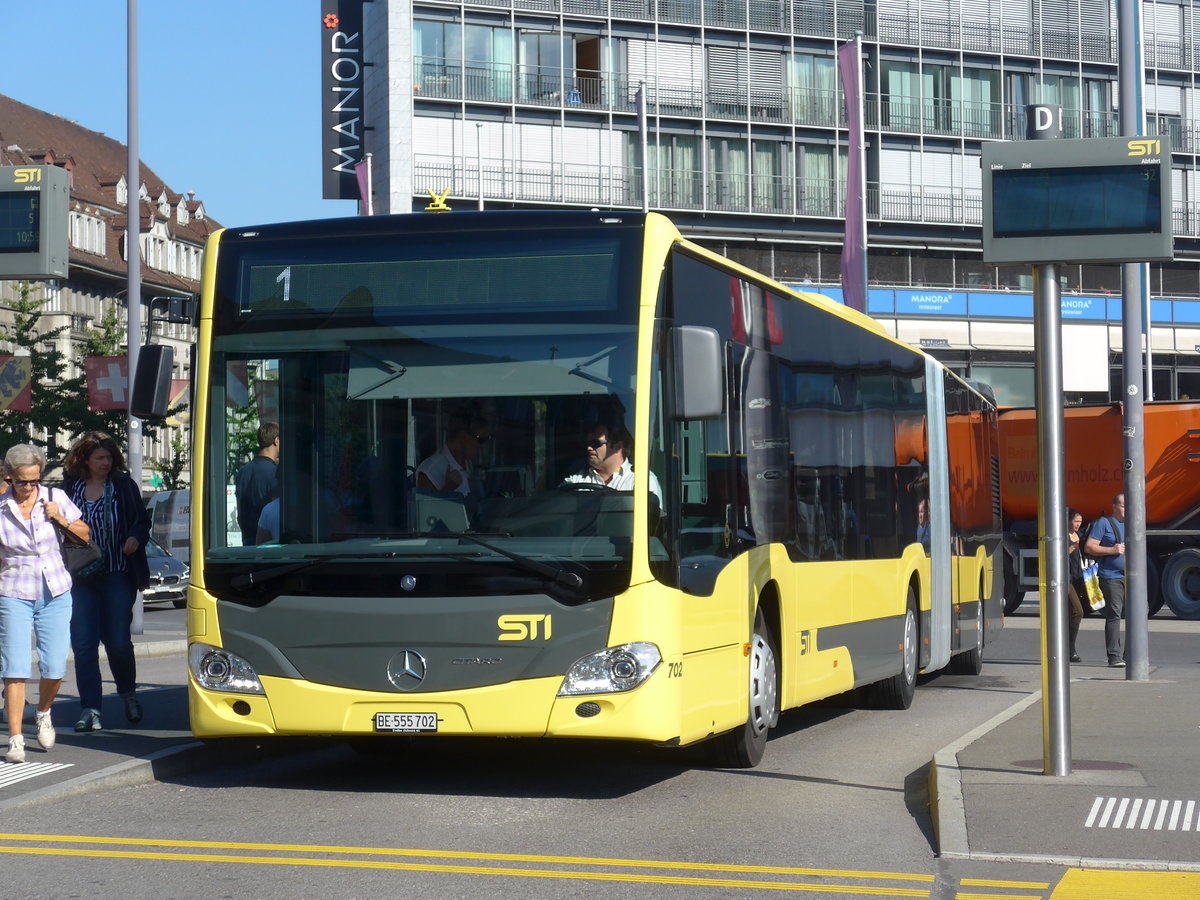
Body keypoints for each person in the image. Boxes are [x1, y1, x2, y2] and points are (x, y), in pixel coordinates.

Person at [0, 443, 88, 763]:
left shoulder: (55, 498)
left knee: (54, 666)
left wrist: (60, 518)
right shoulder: (1, 509)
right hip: (13, 592)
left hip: (56, 591)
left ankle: (43, 712)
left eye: (35, 480)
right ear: (9, 477)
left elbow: (85, 534)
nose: (29, 487)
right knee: (15, 668)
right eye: (23, 481)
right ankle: (15, 738)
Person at [63, 431, 152, 733]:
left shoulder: (123, 486)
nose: (105, 462)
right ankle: (90, 708)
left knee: (117, 642)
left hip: (117, 573)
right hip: (81, 578)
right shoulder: (71, 487)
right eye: (99, 458)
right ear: (85, 460)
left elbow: (142, 521)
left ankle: (128, 693)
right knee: (84, 644)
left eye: (109, 457)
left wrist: (135, 537)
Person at [562, 423, 662, 501]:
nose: (589, 448)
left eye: (595, 443)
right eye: (587, 443)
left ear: (618, 447)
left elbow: (653, 519)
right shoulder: (576, 481)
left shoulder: (642, 481)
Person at [1085, 494, 1127, 668]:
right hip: (1111, 576)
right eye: (1124, 506)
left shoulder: (1133, 523)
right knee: (1114, 614)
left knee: (1138, 613)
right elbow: (1089, 547)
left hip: (1131, 577)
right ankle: (1114, 657)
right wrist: (1112, 550)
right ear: (1114, 506)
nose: (1127, 509)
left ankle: (1131, 654)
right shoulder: (1104, 523)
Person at [416, 411, 490, 497]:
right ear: (463, 437)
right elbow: (425, 505)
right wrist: (448, 488)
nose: (483, 447)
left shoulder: (467, 462)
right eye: (481, 440)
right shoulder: (430, 469)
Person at [235, 422, 279, 546]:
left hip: (248, 545)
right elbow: (277, 514)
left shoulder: (242, 472)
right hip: (270, 546)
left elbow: (240, 515)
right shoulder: (276, 473)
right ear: (276, 441)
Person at [1066, 508, 1085, 663]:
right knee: (1078, 611)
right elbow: (1056, 554)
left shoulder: (1081, 535)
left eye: (1080, 522)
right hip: (1067, 580)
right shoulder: (1062, 536)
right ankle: (1070, 649)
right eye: (1075, 521)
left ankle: (1068, 648)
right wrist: (1073, 547)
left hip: (1079, 578)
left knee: (1070, 613)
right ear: (1068, 521)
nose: (1078, 524)